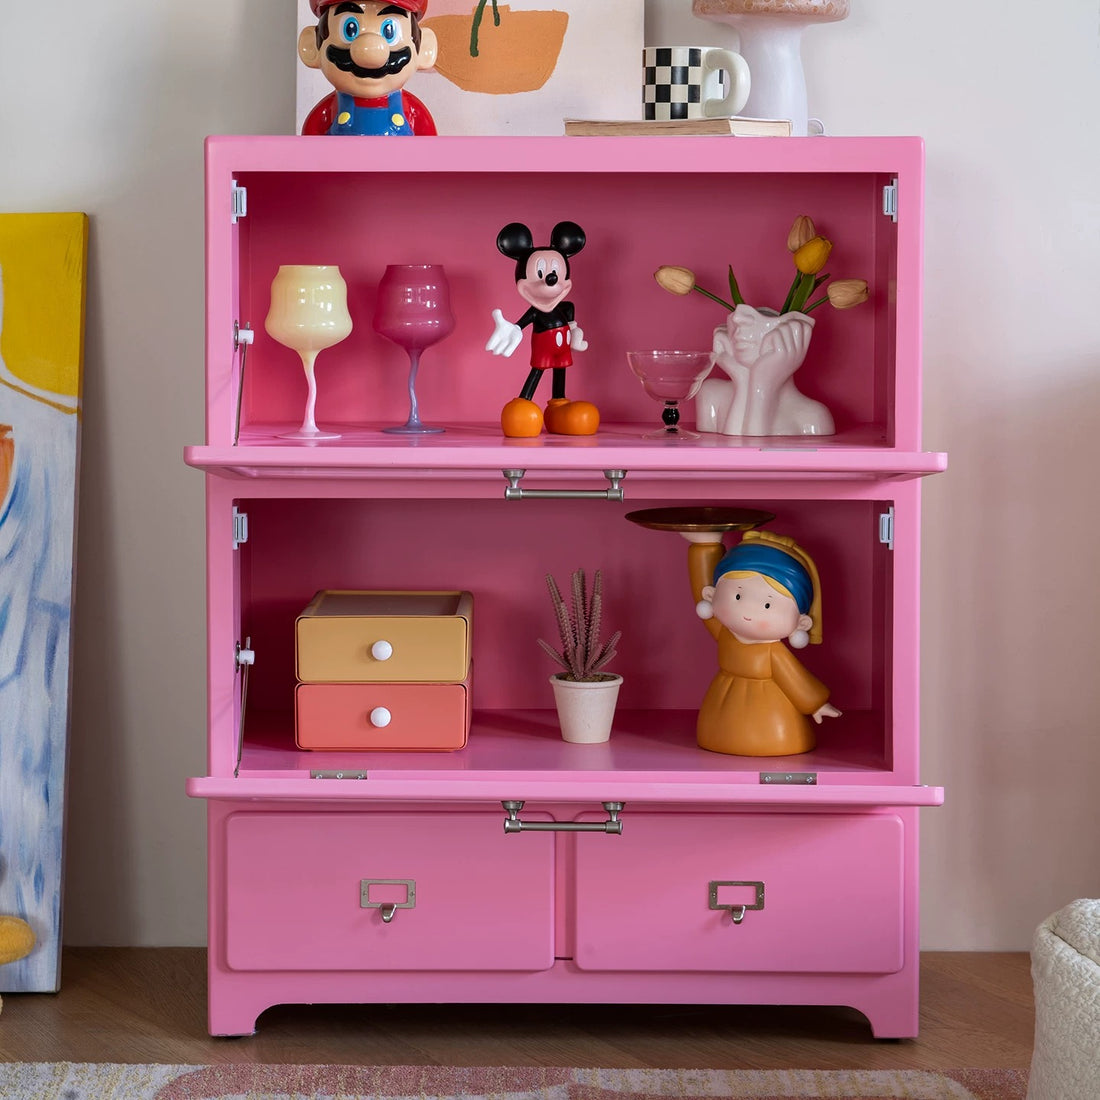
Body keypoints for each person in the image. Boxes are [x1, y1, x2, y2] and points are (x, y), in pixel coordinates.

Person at [683, 529, 841, 756]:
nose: (748, 612)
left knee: (770, 735)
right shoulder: (726, 633)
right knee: (719, 732)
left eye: (768, 605)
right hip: (722, 712)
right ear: (712, 595)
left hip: (771, 720)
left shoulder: (773, 652)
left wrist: (816, 704)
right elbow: (700, 585)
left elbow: (795, 680)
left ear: (801, 622)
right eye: (738, 596)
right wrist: (704, 546)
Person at [299, 0, 438, 136]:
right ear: (312, 46)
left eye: (389, 32)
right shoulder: (326, 112)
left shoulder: (413, 112)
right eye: (350, 29)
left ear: (425, 49)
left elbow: (430, 153)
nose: (369, 52)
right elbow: (308, 153)